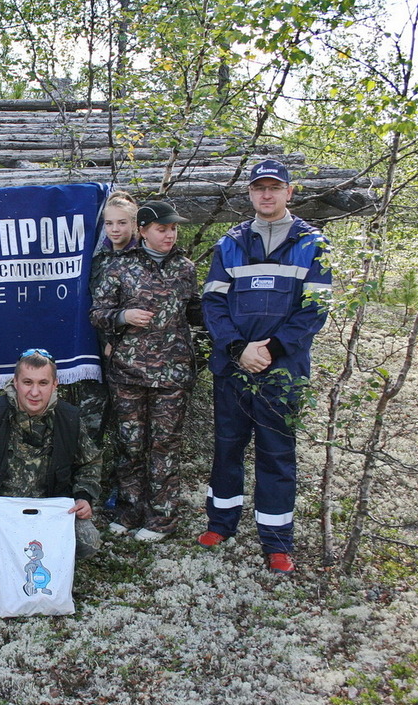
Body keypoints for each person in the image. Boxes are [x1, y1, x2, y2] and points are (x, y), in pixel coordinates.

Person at [197, 159, 332, 574]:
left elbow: (315, 310)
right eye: (260, 188)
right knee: (227, 448)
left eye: (275, 187)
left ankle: (276, 541)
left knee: (277, 453)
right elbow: (213, 303)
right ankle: (221, 522)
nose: (267, 195)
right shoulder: (230, 243)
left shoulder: (313, 242)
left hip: (283, 370)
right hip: (234, 366)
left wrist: (269, 348)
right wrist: (239, 348)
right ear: (250, 194)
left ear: (290, 192)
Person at [90, 199, 202, 542]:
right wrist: (124, 317)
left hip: (172, 374)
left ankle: (160, 520)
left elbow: (193, 311)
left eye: (172, 229)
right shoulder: (119, 268)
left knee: (165, 446)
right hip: (128, 373)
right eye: (161, 229)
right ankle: (128, 512)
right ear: (144, 231)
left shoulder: (185, 268)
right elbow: (98, 314)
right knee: (130, 445)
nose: (169, 235)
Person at [0, 349, 102, 576]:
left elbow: (90, 462)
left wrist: (84, 497)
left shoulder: (70, 419)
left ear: (55, 384)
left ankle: (45, 560)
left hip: (47, 517)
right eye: (27, 382)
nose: (34, 392)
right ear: (15, 382)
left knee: (89, 542)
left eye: (43, 383)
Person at [80, 190, 142, 511]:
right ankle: (84, 491)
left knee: (128, 427)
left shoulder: (144, 259)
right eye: (109, 223)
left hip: (130, 359)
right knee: (89, 426)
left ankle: (122, 492)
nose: (114, 229)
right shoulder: (94, 257)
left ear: (134, 223)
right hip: (93, 357)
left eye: (121, 222)